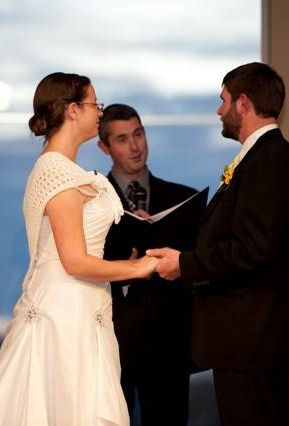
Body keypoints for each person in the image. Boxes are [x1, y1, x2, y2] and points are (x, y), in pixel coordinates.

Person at [0, 72, 159, 426]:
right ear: (72, 110)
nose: (99, 112)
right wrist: (138, 268)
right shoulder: (57, 172)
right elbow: (75, 262)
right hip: (63, 314)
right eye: (93, 104)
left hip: (83, 308)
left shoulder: (65, 170)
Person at [148, 62, 289, 426]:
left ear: (243, 103)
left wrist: (184, 265)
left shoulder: (270, 160)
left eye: (223, 101)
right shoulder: (259, 158)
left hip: (252, 341)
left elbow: (254, 249)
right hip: (246, 341)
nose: (219, 110)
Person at [97, 104, 198, 425]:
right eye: (123, 139)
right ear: (104, 147)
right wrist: (123, 269)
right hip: (108, 343)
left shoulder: (184, 199)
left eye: (138, 134)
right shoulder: (89, 203)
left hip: (169, 345)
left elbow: (197, 270)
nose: (135, 146)